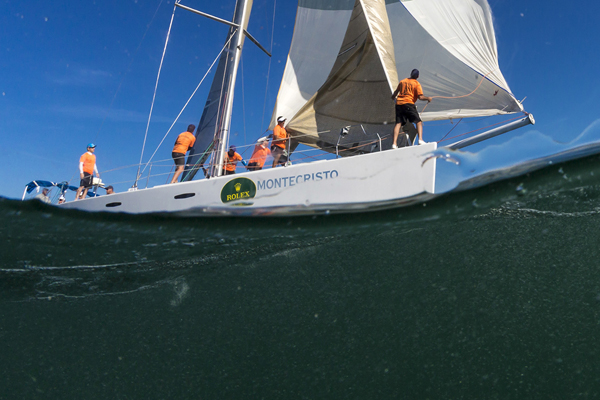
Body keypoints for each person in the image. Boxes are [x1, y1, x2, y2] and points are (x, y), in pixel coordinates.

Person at [391, 69, 432, 148]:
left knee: (398, 123)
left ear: (410, 74)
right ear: (418, 76)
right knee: (418, 122)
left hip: (399, 104)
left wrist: (393, 97)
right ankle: (420, 140)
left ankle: (394, 144)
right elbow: (420, 97)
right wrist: (428, 98)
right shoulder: (416, 84)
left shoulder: (402, 81)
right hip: (409, 103)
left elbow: (395, 93)